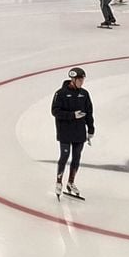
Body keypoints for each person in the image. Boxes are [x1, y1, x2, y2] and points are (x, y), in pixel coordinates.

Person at [51, 67, 94, 198]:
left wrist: (91, 129)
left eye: (83, 79)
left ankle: (71, 182)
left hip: (79, 132)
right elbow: (55, 111)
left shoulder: (84, 94)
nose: (82, 82)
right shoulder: (60, 93)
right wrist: (72, 115)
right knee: (64, 156)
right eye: (80, 80)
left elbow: (89, 112)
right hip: (65, 131)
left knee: (76, 157)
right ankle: (59, 182)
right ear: (73, 80)